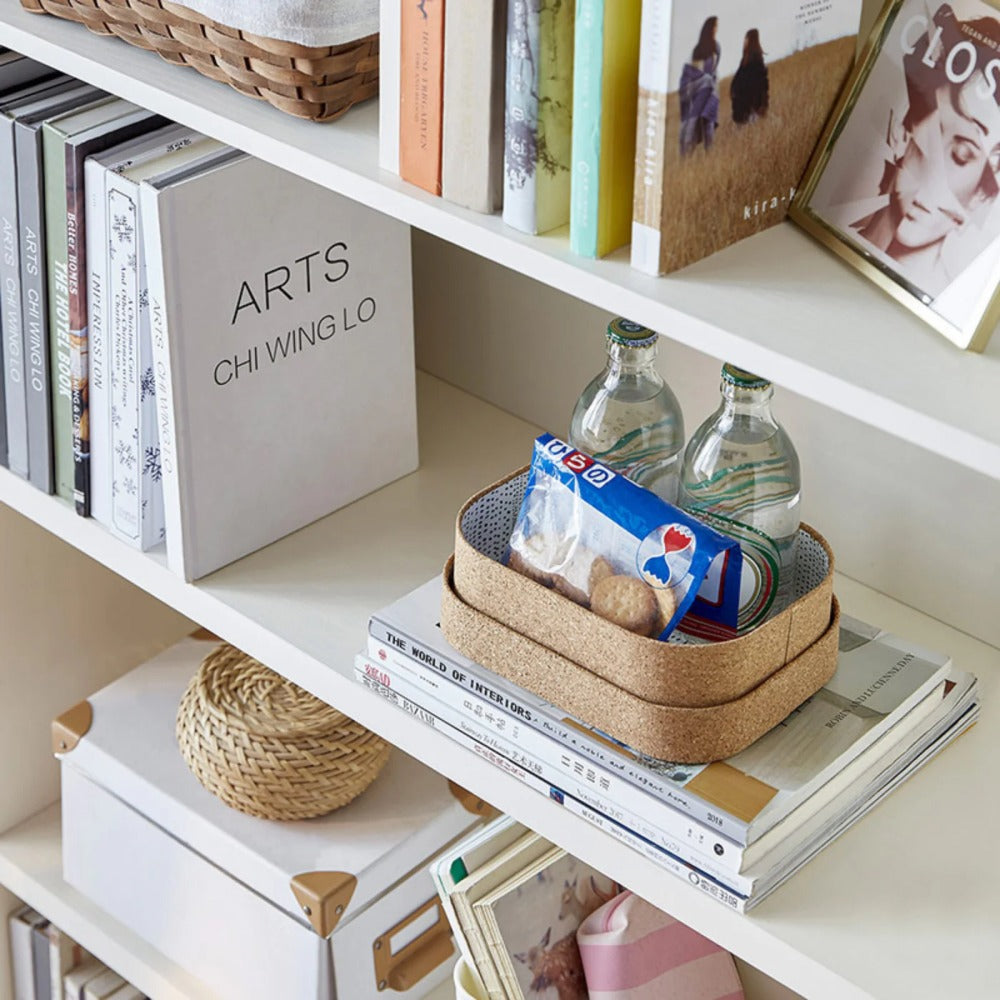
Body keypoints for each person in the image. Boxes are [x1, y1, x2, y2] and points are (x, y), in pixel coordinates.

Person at [848, 5, 1000, 298]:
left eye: (961, 156)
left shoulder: (957, 302)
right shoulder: (837, 228)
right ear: (901, 133)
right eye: (961, 152)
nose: (936, 177)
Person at [679, 17, 720, 156]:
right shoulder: (698, 50)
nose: (716, 29)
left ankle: (710, 156)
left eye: (717, 26)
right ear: (709, 28)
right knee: (693, 125)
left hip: (712, 90)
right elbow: (693, 72)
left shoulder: (717, 47)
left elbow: (714, 70)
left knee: (708, 122)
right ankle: (687, 158)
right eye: (714, 26)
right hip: (699, 90)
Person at [731, 29, 769, 125]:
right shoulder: (746, 59)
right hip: (743, 106)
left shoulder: (756, 60)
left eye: (746, 38)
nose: (744, 41)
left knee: (750, 130)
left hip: (751, 106)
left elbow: (762, 84)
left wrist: (762, 104)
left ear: (750, 40)